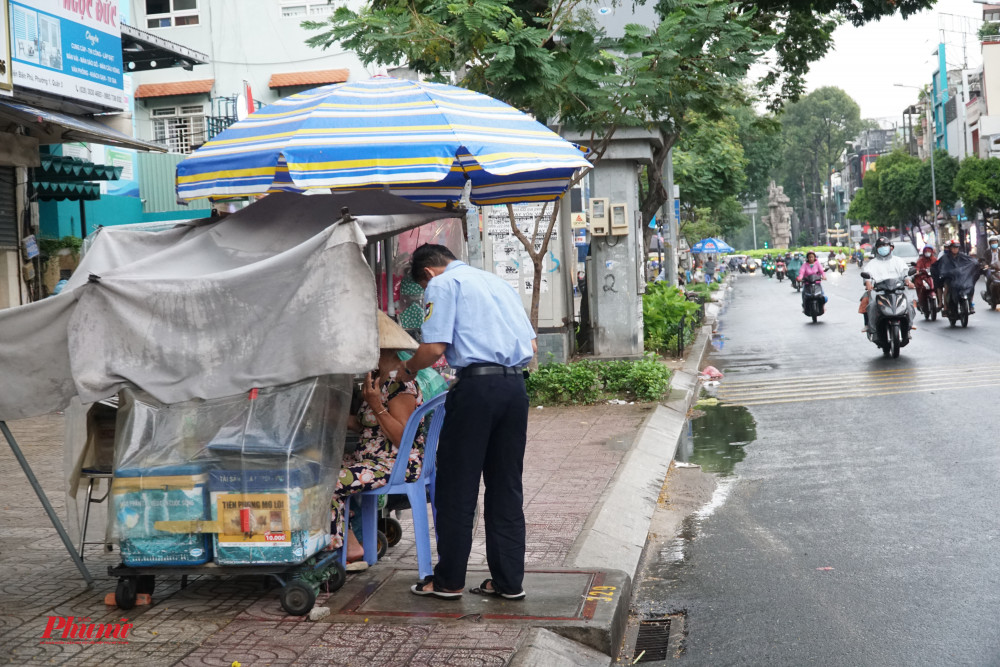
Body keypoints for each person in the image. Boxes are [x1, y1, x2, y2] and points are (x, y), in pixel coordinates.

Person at [394, 244, 536, 601]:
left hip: (476, 388)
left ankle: (448, 581)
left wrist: (405, 370)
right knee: (506, 485)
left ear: (428, 273)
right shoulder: (497, 283)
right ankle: (508, 582)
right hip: (515, 387)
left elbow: (435, 348)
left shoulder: (442, 284)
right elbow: (531, 345)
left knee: (457, 485)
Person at [333, 312, 425, 568]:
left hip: (396, 463)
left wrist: (375, 404)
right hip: (372, 459)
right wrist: (332, 415)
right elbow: (367, 425)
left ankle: (347, 548)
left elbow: (402, 436)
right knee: (319, 471)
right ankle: (348, 542)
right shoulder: (377, 378)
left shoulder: (399, 384)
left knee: (331, 481)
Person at [859, 237, 914, 329]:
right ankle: (870, 326)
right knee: (870, 303)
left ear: (891, 247)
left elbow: (905, 273)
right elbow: (867, 274)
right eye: (880, 246)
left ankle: (909, 325)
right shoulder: (872, 263)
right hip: (879, 291)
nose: (883, 248)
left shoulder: (898, 261)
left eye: (885, 245)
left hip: (898, 290)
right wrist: (868, 283)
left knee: (909, 301)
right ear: (876, 249)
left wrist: (908, 281)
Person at [932, 240, 979, 315]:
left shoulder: (962, 256)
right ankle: (945, 307)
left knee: (970, 286)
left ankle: (970, 304)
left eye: (957, 248)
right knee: (946, 288)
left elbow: (972, 261)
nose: (955, 249)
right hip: (949, 278)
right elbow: (938, 266)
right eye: (953, 248)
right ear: (950, 248)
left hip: (961, 277)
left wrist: (977, 263)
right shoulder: (945, 258)